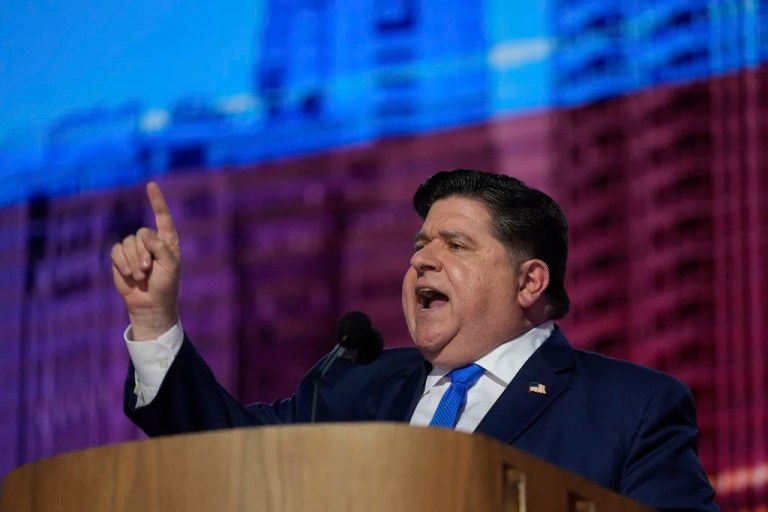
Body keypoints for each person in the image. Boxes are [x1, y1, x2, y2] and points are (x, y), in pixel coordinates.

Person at [113, 169, 718, 511]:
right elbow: (226, 451)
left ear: (529, 280)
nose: (423, 261)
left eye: (454, 245)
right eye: (418, 246)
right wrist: (154, 318)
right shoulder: (352, 381)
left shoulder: (629, 407)